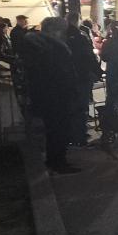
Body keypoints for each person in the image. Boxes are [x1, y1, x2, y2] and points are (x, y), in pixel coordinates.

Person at [23, 17, 80, 175]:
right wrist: (70, 89)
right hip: (57, 96)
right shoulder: (53, 48)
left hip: (47, 95)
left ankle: (55, 159)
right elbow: (61, 73)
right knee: (59, 129)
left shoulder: (38, 46)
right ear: (56, 31)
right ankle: (58, 161)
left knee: (53, 129)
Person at [65, 12, 102, 147]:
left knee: (72, 106)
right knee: (81, 106)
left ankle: (73, 134)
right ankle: (80, 136)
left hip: (68, 76)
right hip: (81, 75)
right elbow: (88, 56)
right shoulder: (80, 36)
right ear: (77, 20)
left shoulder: (63, 36)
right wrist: (97, 71)